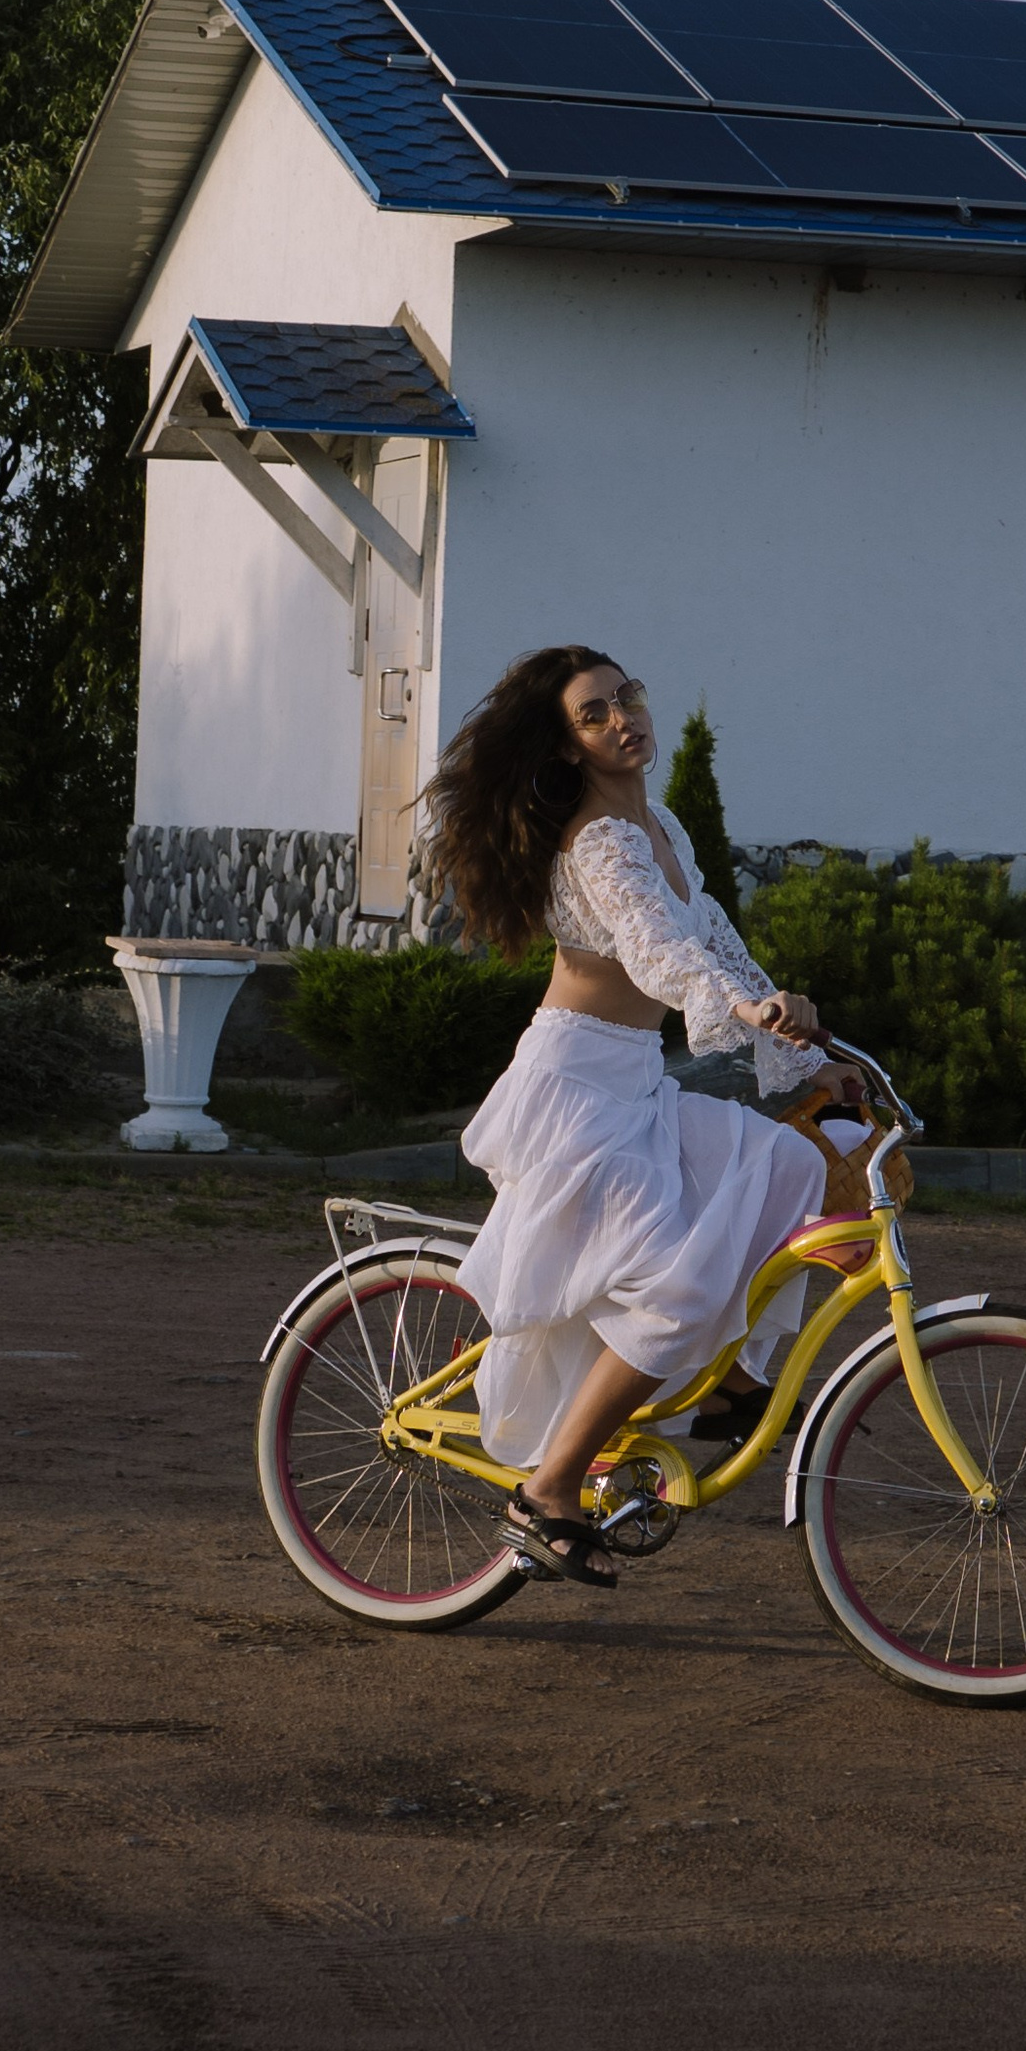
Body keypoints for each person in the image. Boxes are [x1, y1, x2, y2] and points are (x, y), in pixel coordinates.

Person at [423, 643, 869, 1588]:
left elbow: (715, 940)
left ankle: (730, 1387)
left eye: (625, 697)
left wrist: (807, 1058)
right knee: (675, 1290)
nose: (622, 718)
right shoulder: (600, 840)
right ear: (568, 745)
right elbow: (656, 949)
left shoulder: (658, 823)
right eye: (593, 713)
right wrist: (742, 1009)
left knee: (790, 1168)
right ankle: (545, 1492)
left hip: (633, 1083)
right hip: (575, 1090)